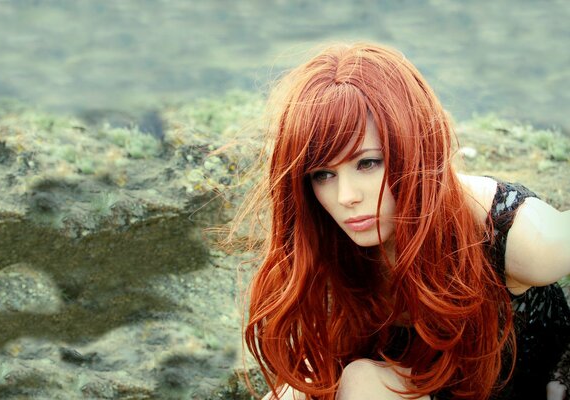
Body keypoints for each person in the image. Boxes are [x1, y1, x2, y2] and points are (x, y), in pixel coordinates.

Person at [237, 42, 570, 400]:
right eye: (323, 174)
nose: (346, 196)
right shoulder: (330, 242)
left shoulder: (513, 235)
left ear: (414, 147)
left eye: (367, 163)